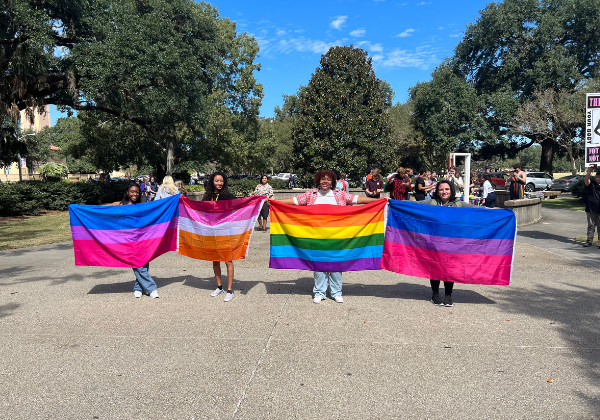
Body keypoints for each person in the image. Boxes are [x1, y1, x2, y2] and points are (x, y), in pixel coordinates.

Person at [275, 170, 380, 304]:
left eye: (328, 180)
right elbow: (294, 201)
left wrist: (377, 201)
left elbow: (357, 199)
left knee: (336, 265)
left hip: (337, 237)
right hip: (316, 237)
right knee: (318, 265)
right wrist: (275, 202)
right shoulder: (310, 195)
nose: (325, 182)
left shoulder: (340, 195)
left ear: (333, 182)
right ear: (318, 180)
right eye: (322, 179)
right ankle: (319, 292)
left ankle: (336, 292)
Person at [418, 180, 477, 307]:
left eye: (447, 189)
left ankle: (448, 295)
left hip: (453, 243)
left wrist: (499, 211)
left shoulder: (459, 205)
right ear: (437, 192)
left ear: (451, 190)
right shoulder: (432, 203)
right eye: (441, 189)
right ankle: (435, 294)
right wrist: (393, 202)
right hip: (434, 243)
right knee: (435, 267)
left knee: (450, 268)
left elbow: (478, 210)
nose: (444, 192)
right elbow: (413, 205)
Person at [110, 183, 159, 299]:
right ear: (127, 192)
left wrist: (175, 199)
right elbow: (105, 209)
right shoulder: (121, 205)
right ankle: (151, 288)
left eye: (137, 192)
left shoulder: (143, 205)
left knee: (144, 262)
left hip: (142, 238)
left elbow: (157, 207)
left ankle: (138, 288)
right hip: (127, 240)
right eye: (132, 191)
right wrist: (83, 208)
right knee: (137, 262)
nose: (135, 194)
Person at [203, 172, 237, 302]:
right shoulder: (207, 196)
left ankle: (230, 290)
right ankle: (219, 287)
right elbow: (199, 210)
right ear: (212, 181)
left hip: (225, 233)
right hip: (212, 234)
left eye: (221, 181)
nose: (219, 183)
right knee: (215, 260)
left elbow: (242, 204)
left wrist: (258, 200)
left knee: (228, 261)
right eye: (217, 181)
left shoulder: (228, 196)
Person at [583, 166, 600, 247]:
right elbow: (586, 180)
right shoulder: (592, 184)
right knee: (591, 226)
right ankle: (589, 241)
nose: (597, 179)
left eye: (599, 177)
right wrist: (589, 171)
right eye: (596, 177)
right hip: (590, 209)